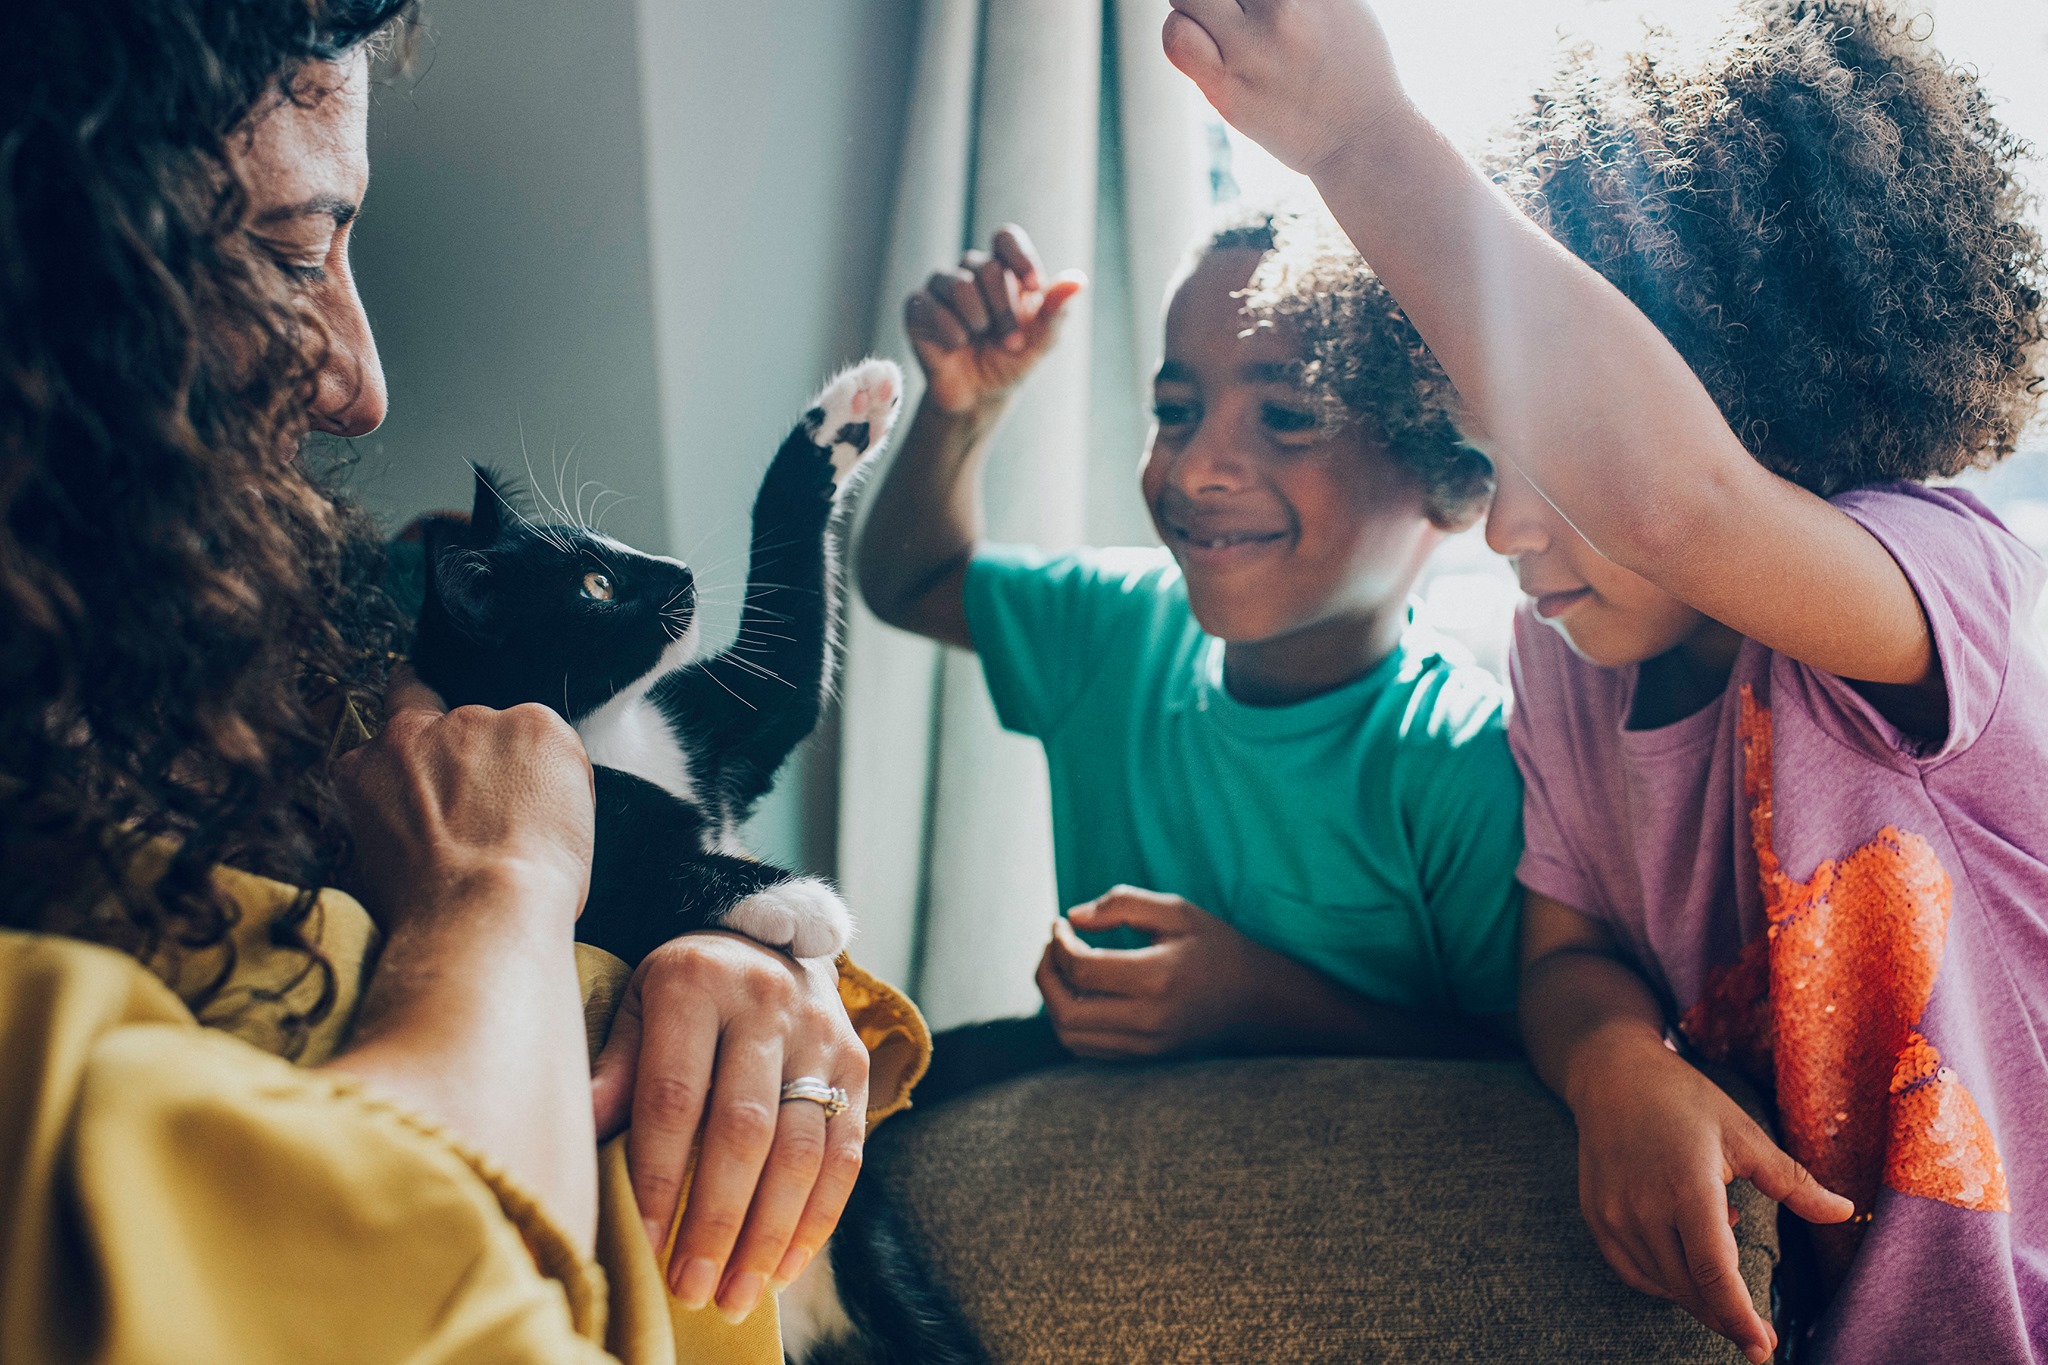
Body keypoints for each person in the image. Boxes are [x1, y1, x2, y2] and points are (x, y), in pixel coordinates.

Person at [0, 2, 925, 1359]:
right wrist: (501, 895)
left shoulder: (242, 656)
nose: (363, 382)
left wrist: (730, 958)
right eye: (288, 250)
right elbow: (358, 1287)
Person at [1162, 0, 2048, 1360]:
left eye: (1557, 461)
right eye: (1481, 448)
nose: (1512, 530)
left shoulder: (1932, 575)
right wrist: (1615, 1066)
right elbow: (1563, 954)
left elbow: (1674, 504)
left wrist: (1362, 141)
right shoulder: (1566, 657)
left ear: (1763, 400)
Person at [857, 210, 1522, 1097]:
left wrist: (1257, 999)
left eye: (1286, 415)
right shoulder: (1116, 631)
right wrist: (960, 412)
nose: (1198, 467)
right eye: (1176, 412)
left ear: (1456, 480)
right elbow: (911, 579)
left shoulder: (1465, 762)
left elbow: (1521, 1071)